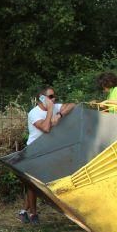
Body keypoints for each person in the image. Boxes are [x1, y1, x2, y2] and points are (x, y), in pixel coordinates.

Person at [21, 86, 76, 224]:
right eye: (50, 97)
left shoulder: (56, 107)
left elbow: (72, 105)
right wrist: (51, 111)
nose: (54, 99)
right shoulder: (34, 113)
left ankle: (24, 211)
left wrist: (59, 114)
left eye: (54, 96)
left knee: (46, 182)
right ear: (42, 98)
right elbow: (45, 128)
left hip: (49, 150)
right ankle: (33, 213)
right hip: (35, 151)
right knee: (33, 184)